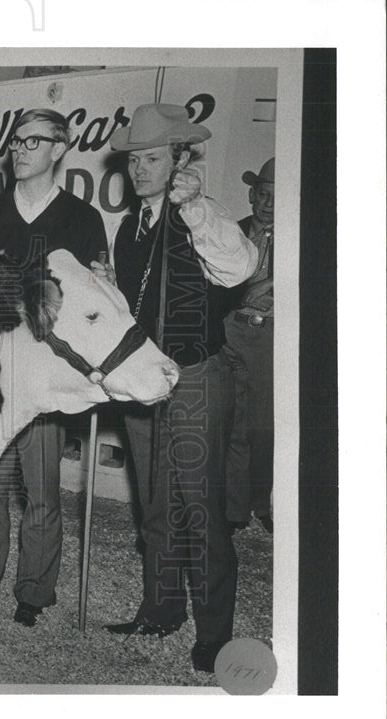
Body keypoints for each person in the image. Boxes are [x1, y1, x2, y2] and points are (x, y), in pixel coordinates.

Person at [96, 103, 258, 674]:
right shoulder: (126, 227)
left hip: (194, 381)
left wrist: (192, 208)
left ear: (180, 160)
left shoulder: (203, 215)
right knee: (156, 507)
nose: (139, 168)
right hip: (143, 382)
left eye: (153, 158)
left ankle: (215, 635)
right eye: (135, 158)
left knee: (202, 513)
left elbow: (239, 269)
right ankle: (160, 610)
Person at [0, 108, 109, 627]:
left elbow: (94, 302)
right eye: (15, 142)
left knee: (41, 491)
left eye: (32, 142)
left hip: (43, 381)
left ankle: (35, 593)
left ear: (60, 149)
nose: (18, 150)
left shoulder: (82, 220)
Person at [224, 157, 275, 534]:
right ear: (251, 195)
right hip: (231, 329)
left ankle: (263, 504)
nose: (268, 204)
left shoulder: (301, 240)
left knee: (264, 426)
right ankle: (235, 510)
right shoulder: (232, 233)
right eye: (262, 195)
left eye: (276, 197)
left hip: (271, 337)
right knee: (234, 423)